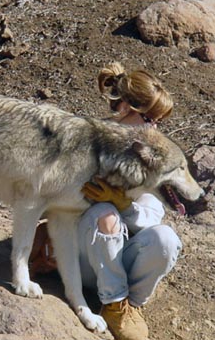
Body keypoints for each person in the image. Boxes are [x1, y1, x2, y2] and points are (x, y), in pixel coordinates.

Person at [29, 62, 182, 340]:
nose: (156, 127)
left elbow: (153, 215)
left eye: (159, 121)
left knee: (166, 239)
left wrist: (125, 206)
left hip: (120, 255)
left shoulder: (152, 153)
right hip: (82, 254)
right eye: (150, 119)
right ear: (125, 107)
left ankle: (126, 307)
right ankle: (112, 299)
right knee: (104, 211)